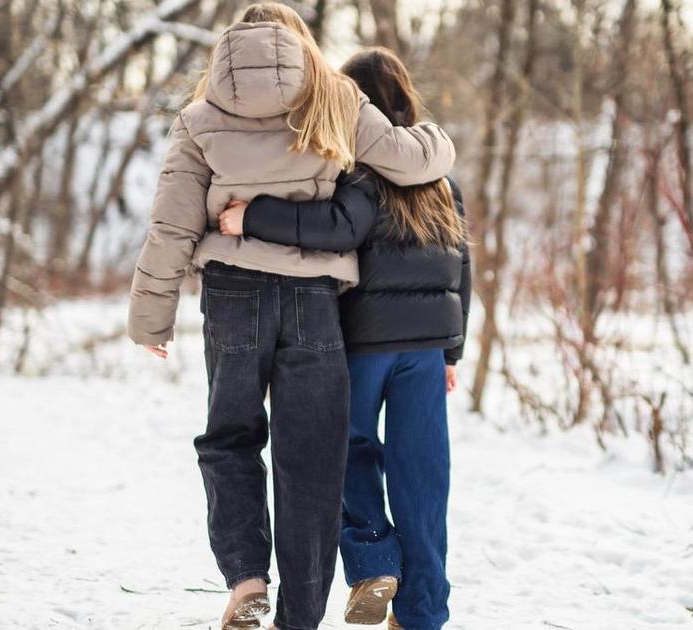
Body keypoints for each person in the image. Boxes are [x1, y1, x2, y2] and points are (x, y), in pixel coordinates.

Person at [126, 4, 457, 629]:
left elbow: (171, 223)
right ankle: (299, 618)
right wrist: (440, 138)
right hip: (312, 301)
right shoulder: (333, 100)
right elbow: (413, 163)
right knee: (311, 459)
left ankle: (248, 579)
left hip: (232, 295)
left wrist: (152, 319)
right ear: (298, 42)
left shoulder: (200, 115)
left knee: (230, 439)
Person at [219, 47, 470, 630]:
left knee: (343, 455)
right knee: (423, 478)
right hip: (427, 349)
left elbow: (331, 232)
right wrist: (452, 351)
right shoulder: (440, 178)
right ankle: (423, 612)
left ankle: (375, 560)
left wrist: (251, 215)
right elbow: (461, 268)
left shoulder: (349, 168)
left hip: (359, 344)